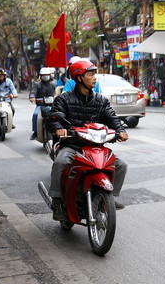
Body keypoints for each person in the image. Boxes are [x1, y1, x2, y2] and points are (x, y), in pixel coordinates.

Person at [47, 59, 129, 218]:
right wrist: (59, 129)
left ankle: (110, 198)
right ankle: (56, 200)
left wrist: (120, 131)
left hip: (96, 146)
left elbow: (111, 117)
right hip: (72, 145)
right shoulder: (64, 99)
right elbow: (54, 118)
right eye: (90, 75)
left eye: (94, 74)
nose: (94, 78)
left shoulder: (100, 100)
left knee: (121, 165)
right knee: (61, 162)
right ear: (79, 78)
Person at [29, 67, 56, 140]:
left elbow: (58, 92)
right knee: (35, 114)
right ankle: (35, 132)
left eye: (47, 75)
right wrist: (32, 97)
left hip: (52, 105)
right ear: (40, 76)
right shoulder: (37, 84)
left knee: (58, 115)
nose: (45, 76)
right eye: (43, 75)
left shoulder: (54, 84)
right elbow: (33, 92)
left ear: (50, 75)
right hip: (41, 105)